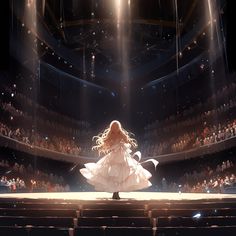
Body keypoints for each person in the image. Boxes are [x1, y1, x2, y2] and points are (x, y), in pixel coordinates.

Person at [80, 120, 158, 199]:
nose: (115, 128)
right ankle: (115, 192)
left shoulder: (121, 134)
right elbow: (107, 144)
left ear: (119, 127)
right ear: (111, 128)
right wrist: (107, 146)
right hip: (113, 156)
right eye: (113, 127)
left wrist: (125, 144)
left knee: (121, 174)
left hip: (122, 156)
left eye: (116, 127)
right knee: (113, 174)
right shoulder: (110, 135)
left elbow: (127, 141)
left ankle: (116, 192)